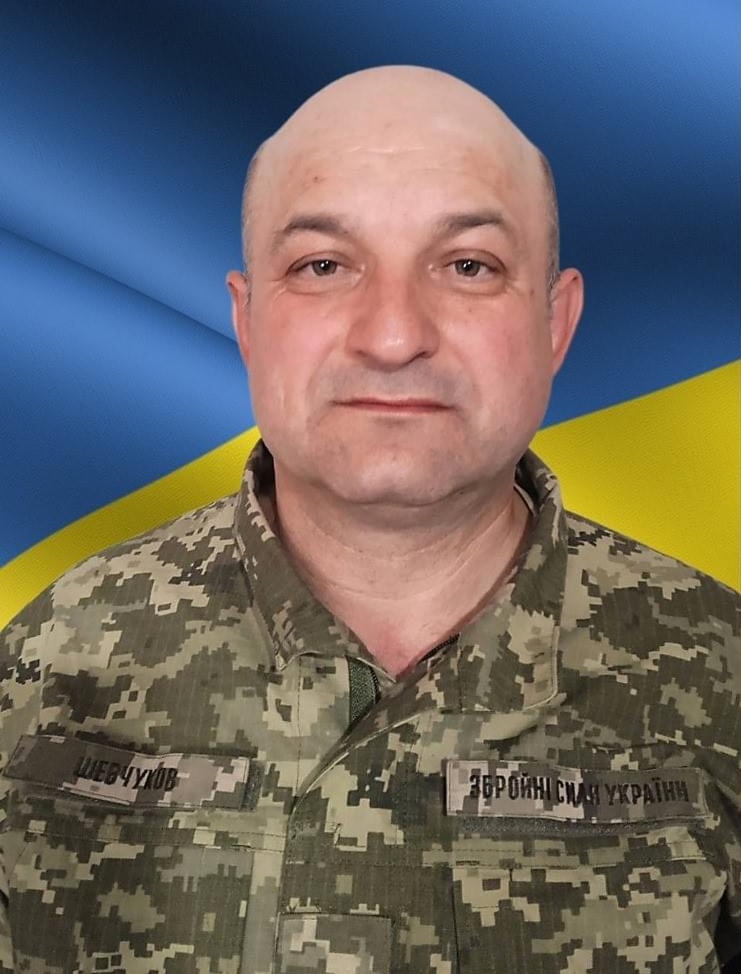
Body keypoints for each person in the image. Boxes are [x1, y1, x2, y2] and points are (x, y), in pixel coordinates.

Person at [0, 65, 738, 974]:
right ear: (247, 320)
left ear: (555, 322)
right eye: (322, 266)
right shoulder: (51, 663)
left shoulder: (722, 671)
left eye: (467, 266)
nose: (392, 336)